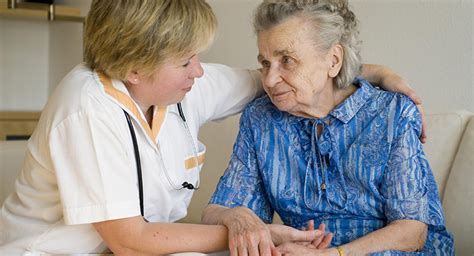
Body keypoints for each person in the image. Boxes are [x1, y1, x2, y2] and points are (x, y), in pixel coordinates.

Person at [0, 0, 423, 255]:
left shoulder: (188, 87)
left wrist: (366, 72)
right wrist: (251, 229)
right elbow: (131, 240)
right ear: (133, 69)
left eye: (195, 56)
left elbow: (278, 82)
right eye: (186, 60)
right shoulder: (86, 109)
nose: (200, 70)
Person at [203, 0, 454, 255]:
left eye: (287, 60)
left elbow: (412, 231)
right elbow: (217, 210)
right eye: (265, 63)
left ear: (333, 60)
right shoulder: (261, 119)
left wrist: (333, 254)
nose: (268, 79)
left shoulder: (392, 113)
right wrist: (236, 216)